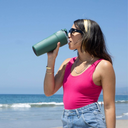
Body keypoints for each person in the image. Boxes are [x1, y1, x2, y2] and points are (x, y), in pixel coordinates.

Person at [44, 19, 116, 128]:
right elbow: (49, 91)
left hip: (90, 121)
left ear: (87, 35)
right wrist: (51, 60)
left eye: (73, 31)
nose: (69, 35)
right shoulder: (67, 63)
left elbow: (109, 106)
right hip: (67, 120)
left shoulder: (103, 66)